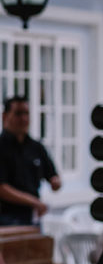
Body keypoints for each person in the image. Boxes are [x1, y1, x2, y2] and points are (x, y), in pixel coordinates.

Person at [0, 96, 61, 227]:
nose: (23, 119)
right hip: (6, 218)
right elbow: (2, 188)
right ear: (5, 116)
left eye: (26, 113)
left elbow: (52, 175)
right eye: (18, 114)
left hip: (33, 216)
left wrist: (56, 181)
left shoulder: (36, 147)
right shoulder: (1, 147)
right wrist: (33, 201)